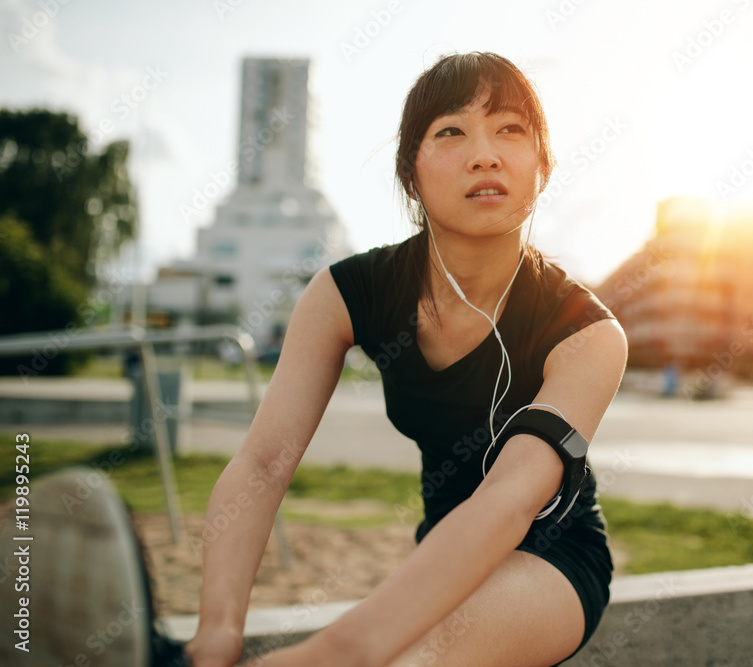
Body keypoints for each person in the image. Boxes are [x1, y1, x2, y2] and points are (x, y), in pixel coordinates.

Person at [186, 52, 628, 667]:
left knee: (414, 659)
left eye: (510, 129)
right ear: (411, 172)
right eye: (451, 131)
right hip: (439, 553)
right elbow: (262, 464)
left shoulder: (587, 333)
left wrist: (338, 650)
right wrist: (217, 631)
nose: (484, 154)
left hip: (555, 560)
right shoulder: (348, 293)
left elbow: (511, 497)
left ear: (542, 168)